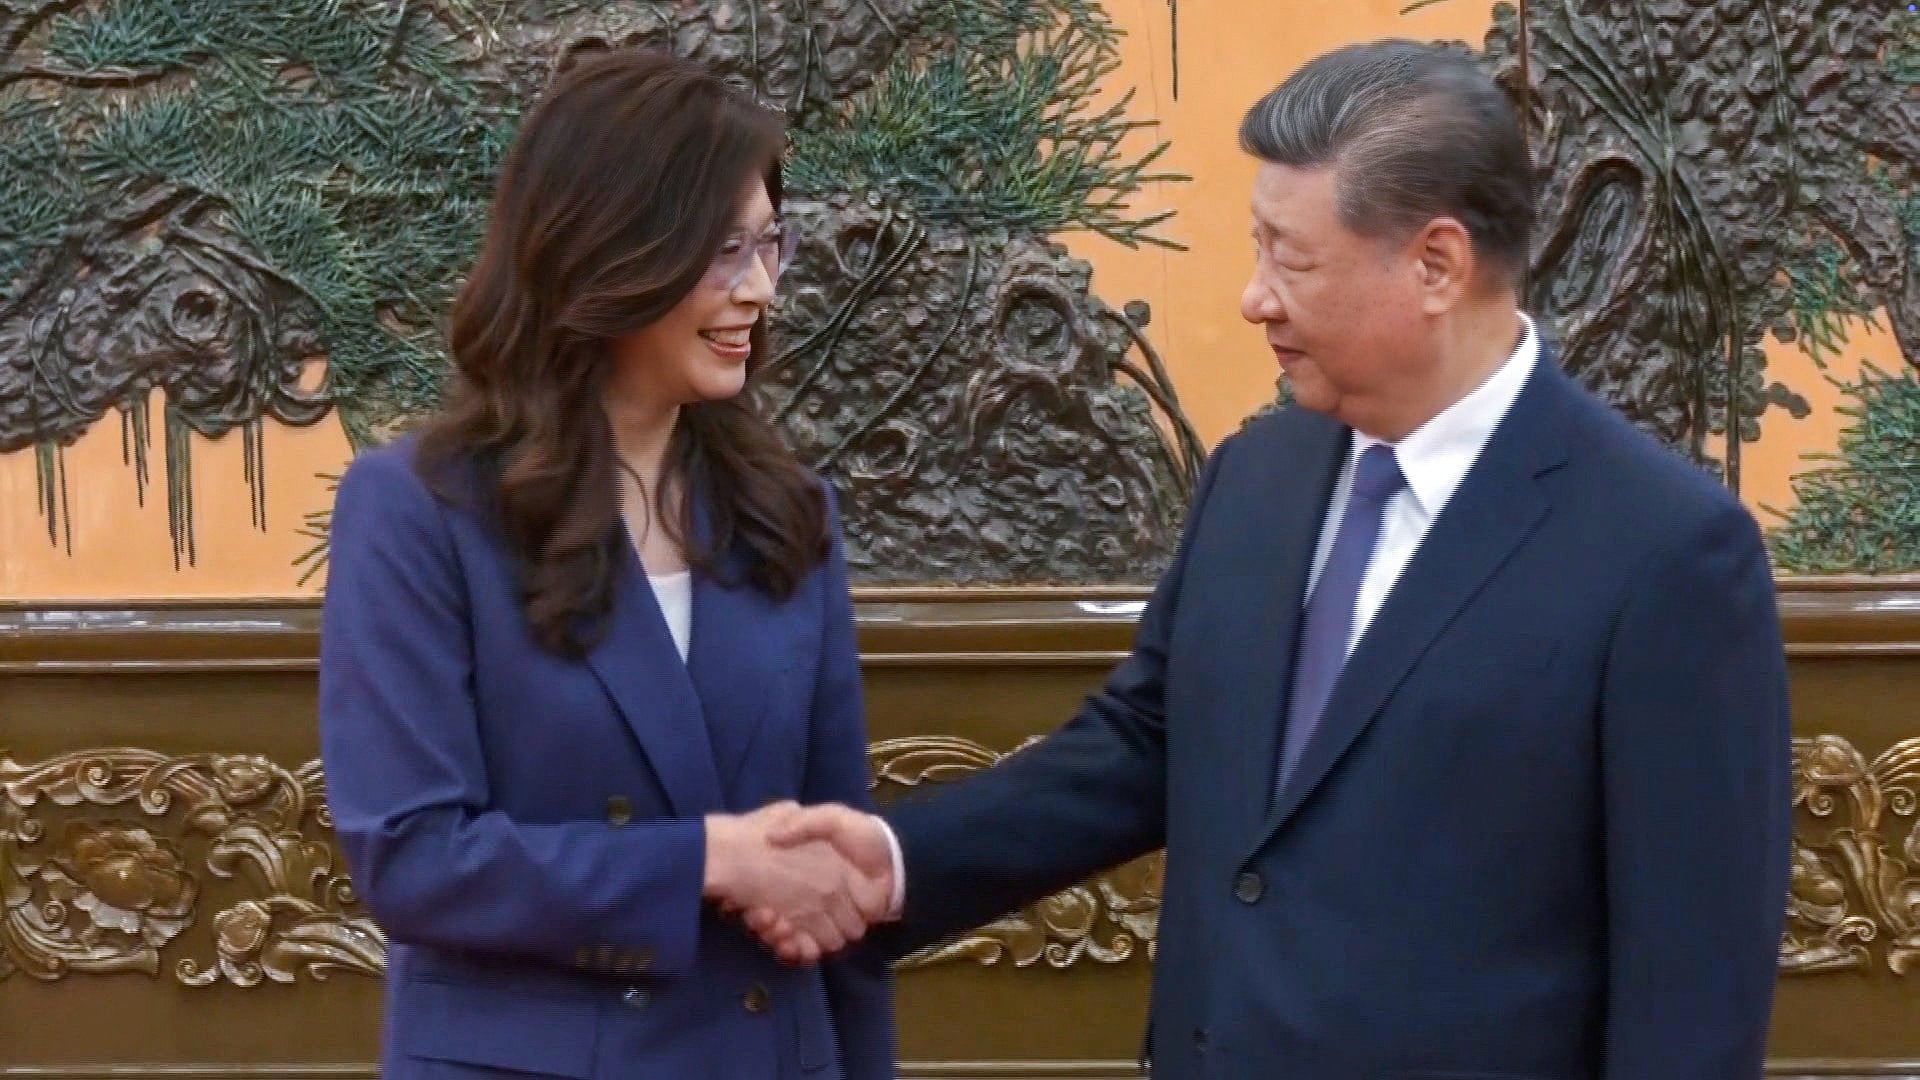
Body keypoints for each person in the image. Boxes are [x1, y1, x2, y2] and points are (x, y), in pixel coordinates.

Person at [754, 39, 1792, 1079]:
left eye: (1289, 260)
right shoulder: (1257, 476)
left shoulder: (1665, 554)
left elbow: (1691, 1000)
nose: (1254, 298)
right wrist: (894, 864)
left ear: (1436, 264)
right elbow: (1146, 744)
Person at [318, 47, 894, 1080]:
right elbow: (413, 858)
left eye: (771, 246)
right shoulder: (419, 510)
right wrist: (711, 859)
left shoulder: (788, 511)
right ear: (610, 251)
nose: (759, 289)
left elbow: (829, 866)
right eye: (724, 250)